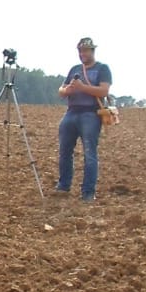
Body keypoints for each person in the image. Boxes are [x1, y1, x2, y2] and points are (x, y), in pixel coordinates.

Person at [55, 36, 113, 202]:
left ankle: (88, 192)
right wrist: (67, 90)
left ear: (92, 51)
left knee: (89, 153)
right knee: (65, 151)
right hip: (71, 112)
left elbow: (103, 91)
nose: (82, 54)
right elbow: (61, 90)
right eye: (80, 51)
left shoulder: (102, 69)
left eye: (85, 51)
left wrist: (82, 87)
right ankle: (63, 185)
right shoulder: (74, 69)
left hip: (91, 114)